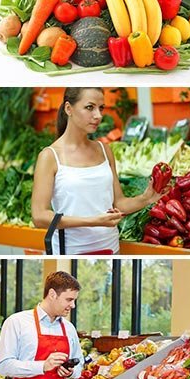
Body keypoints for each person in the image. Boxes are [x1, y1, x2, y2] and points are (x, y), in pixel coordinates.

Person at [31, 88, 160, 256]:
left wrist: (146, 198)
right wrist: (93, 221)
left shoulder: (104, 150)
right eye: (90, 107)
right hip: (71, 251)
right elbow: (39, 216)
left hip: (110, 248)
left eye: (101, 108)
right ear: (69, 109)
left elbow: (119, 203)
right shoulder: (49, 156)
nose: (98, 115)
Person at [0, 270, 83, 379]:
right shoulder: (17, 322)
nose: (73, 305)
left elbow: (80, 363)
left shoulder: (69, 328)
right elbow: (3, 366)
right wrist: (42, 366)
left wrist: (71, 372)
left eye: (74, 300)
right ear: (52, 294)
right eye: (69, 299)